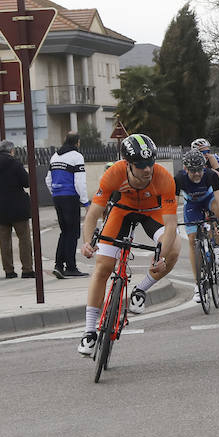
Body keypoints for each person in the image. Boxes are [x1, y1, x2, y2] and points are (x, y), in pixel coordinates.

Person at [78, 134, 180, 356]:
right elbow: (94, 213)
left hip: (152, 212)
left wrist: (160, 256)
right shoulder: (114, 173)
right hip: (122, 212)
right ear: (128, 163)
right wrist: (87, 242)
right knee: (103, 267)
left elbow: (171, 226)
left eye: (150, 162)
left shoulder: (163, 178)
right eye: (141, 165)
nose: (147, 169)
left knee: (174, 250)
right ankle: (89, 332)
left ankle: (141, 290)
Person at [176, 150, 219, 303]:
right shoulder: (179, 178)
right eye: (193, 171)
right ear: (186, 169)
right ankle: (198, 284)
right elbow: (172, 205)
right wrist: (173, 227)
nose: (197, 174)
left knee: (217, 212)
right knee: (192, 241)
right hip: (192, 205)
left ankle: (218, 246)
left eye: (200, 169)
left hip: (209, 200)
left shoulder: (211, 175)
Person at [0, 139, 34, 279]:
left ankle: (9, 271)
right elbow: (26, 182)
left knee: (4, 241)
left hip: (1, 208)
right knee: (24, 239)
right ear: (11, 150)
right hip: (19, 208)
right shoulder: (15, 164)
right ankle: (27, 269)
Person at [46, 131, 89, 278]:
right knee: (73, 232)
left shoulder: (55, 156)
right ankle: (71, 267)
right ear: (77, 142)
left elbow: (48, 179)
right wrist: (85, 202)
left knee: (64, 231)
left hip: (58, 197)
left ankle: (59, 265)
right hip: (70, 197)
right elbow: (80, 182)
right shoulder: (77, 156)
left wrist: (55, 193)